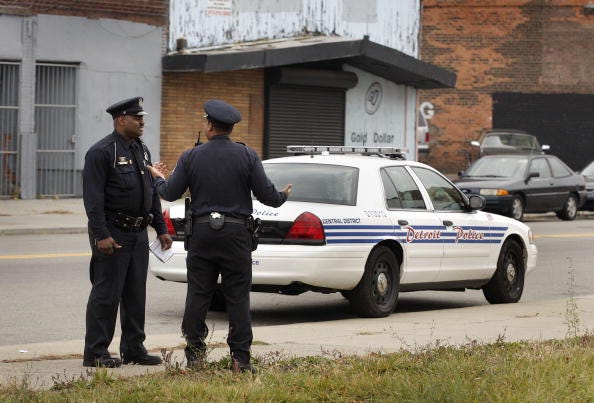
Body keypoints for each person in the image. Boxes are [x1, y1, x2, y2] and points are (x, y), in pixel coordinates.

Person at [147, 99, 291, 372]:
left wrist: (156, 178)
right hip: (237, 235)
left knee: (199, 294)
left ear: (210, 126)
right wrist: (283, 195)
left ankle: (195, 356)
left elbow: (169, 193)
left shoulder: (191, 156)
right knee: (237, 296)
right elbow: (268, 197)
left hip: (201, 233)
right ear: (229, 128)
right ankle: (240, 359)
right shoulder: (248, 155)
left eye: (204, 121)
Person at [82, 97, 173, 368]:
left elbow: (150, 193)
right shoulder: (101, 152)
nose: (143, 122)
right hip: (113, 232)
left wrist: (161, 228)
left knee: (135, 293)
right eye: (137, 118)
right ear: (122, 119)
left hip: (138, 233)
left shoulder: (141, 150)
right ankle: (96, 352)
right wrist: (101, 235)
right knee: (107, 293)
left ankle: (134, 349)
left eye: (142, 118)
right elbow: (93, 199)